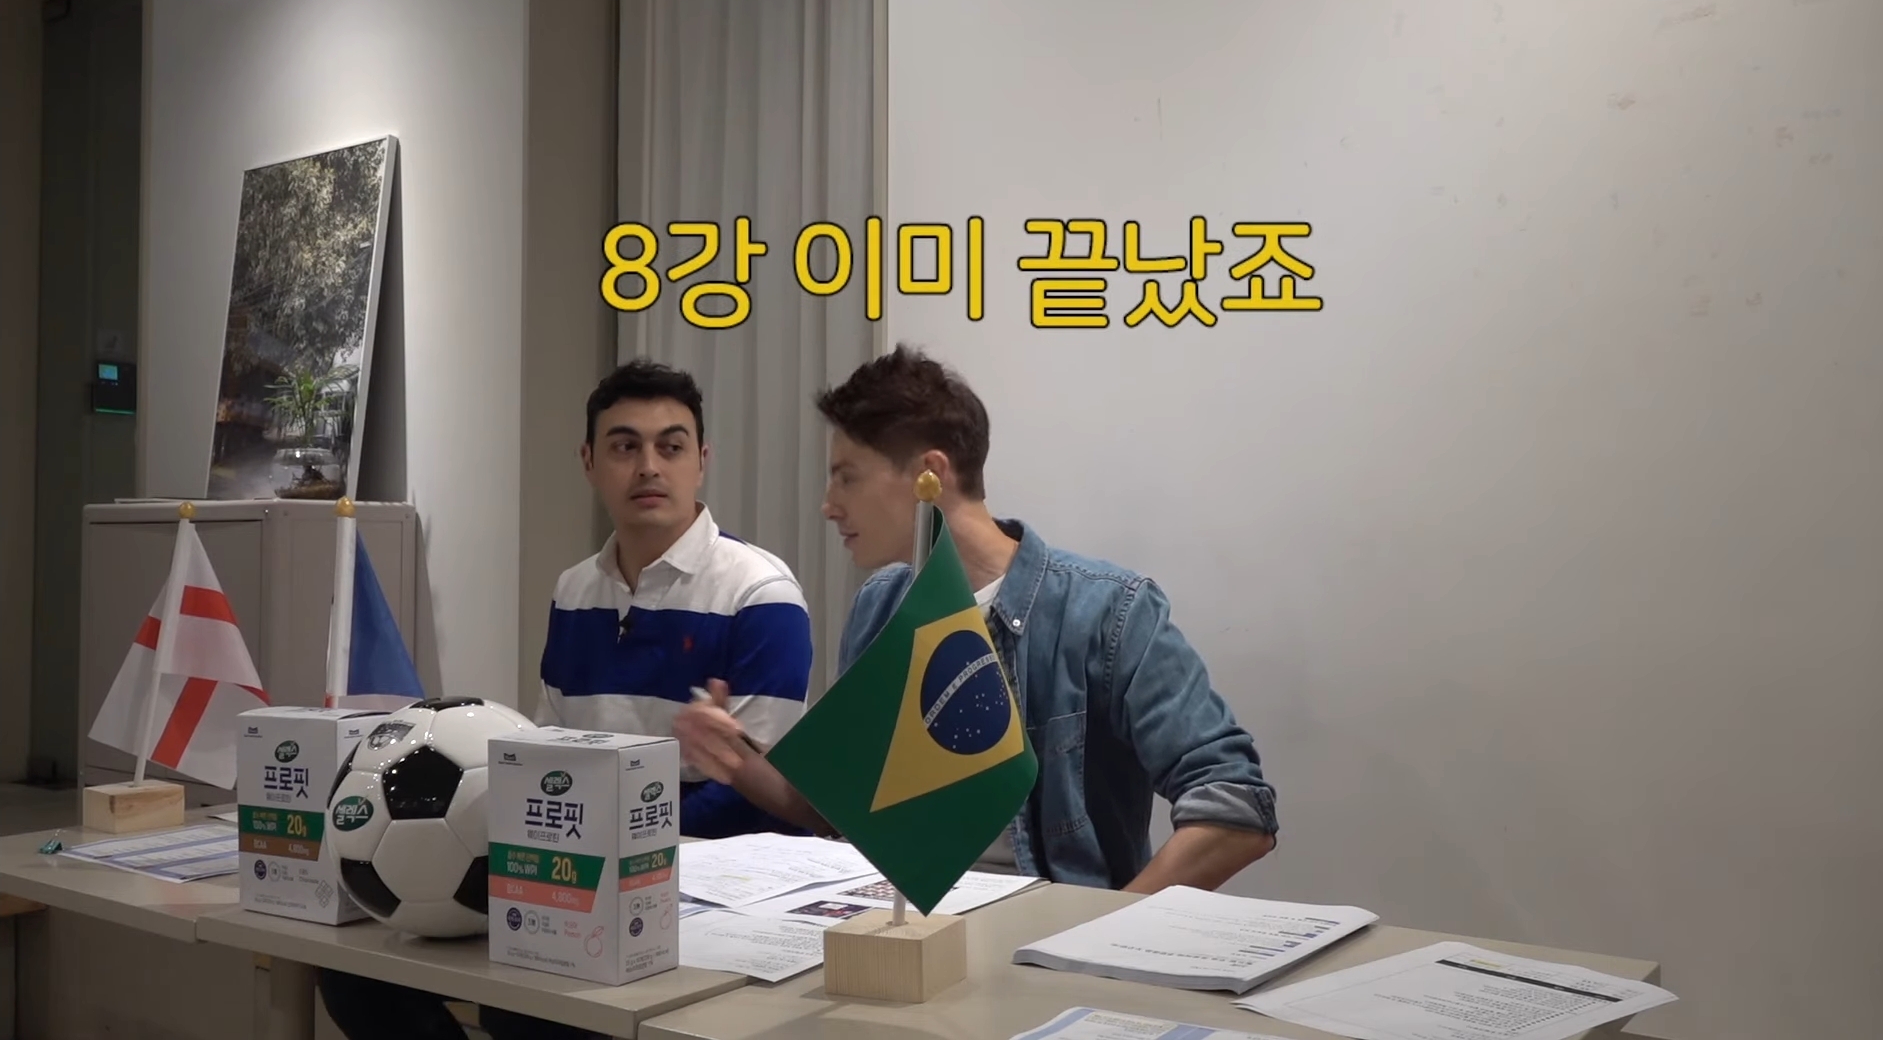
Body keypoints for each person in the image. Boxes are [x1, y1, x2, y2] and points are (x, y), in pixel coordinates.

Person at [317, 358, 814, 1040]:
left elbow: (755, 793)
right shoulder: (575, 590)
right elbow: (550, 753)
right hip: (584, 871)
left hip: (710, 887)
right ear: (589, 462)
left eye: (671, 447)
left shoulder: (759, 593)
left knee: (527, 1011)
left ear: (702, 461)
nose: (648, 467)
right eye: (624, 446)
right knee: (354, 972)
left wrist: (600, 848)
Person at [674, 345, 1277, 894]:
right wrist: (738, 758)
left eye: (847, 477)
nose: (828, 505)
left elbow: (1235, 807)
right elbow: (849, 812)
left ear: (929, 475)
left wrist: (1097, 937)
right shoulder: (880, 604)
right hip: (895, 926)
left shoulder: (1109, 611)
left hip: (1036, 944)